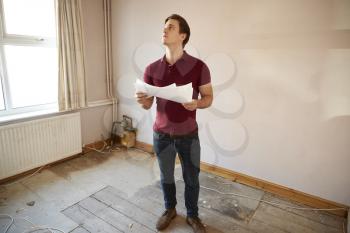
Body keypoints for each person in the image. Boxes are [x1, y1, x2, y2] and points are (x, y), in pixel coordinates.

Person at [135, 14, 213, 233]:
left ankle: (193, 215)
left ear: (182, 35)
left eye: (170, 27)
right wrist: (143, 101)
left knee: (192, 178)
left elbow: (208, 98)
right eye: (164, 27)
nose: (164, 30)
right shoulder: (151, 69)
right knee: (166, 176)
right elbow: (147, 104)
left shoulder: (199, 67)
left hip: (189, 135)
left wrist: (196, 104)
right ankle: (170, 210)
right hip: (161, 135)